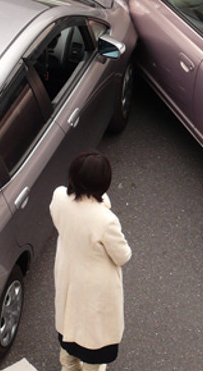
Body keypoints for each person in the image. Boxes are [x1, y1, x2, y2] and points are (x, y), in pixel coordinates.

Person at [50, 151, 132, 371]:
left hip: (68, 276)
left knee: (69, 327)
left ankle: (68, 366)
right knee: (92, 342)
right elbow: (123, 255)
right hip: (94, 290)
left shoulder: (59, 197)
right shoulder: (105, 220)